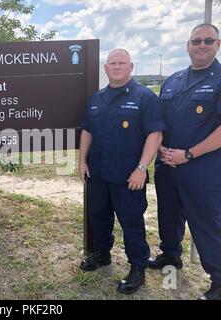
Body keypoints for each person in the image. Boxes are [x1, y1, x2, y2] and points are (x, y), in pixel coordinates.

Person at [79, 49, 164, 294]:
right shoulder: (97, 98)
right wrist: (82, 161)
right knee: (98, 216)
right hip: (99, 174)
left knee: (131, 222)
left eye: (121, 63)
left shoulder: (145, 97)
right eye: (112, 63)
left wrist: (141, 168)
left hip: (129, 177)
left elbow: (155, 134)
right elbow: (87, 130)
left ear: (131, 67)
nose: (116, 67)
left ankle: (137, 268)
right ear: (106, 68)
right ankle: (102, 254)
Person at [150, 23, 221, 300]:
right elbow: (159, 121)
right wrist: (164, 149)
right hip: (167, 164)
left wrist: (188, 154)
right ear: (187, 45)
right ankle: (170, 256)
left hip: (202, 168)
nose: (201, 45)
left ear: (217, 44)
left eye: (207, 41)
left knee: (206, 223)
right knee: (168, 215)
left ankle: (218, 281)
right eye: (196, 41)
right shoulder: (173, 80)